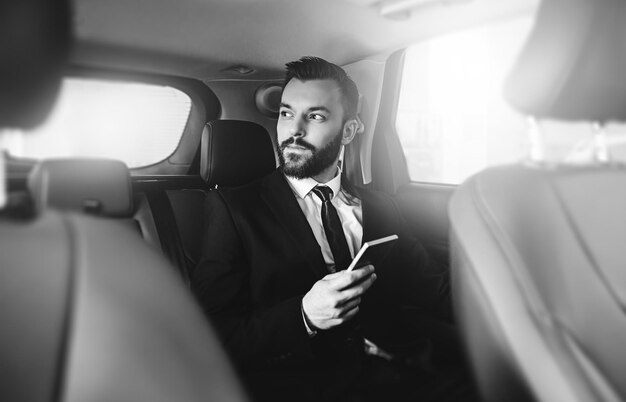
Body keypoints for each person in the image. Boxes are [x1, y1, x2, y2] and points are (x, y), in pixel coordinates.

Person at [192, 56, 476, 402]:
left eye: (315, 116)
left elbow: (432, 288)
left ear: (350, 130)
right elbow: (213, 335)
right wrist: (303, 315)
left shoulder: (381, 207)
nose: (293, 130)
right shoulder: (234, 209)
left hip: (391, 371)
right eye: (285, 113)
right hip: (297, 384)